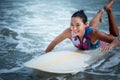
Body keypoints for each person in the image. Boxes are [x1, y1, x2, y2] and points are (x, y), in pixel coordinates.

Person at [45, 0, 119, 53]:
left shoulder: (94, 33)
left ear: (85, 24)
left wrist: (110, 46)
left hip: (100, 38)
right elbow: (54, 43)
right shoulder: (69, 32)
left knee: (115, 35)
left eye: (77, 25)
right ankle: (101, 11)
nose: (74, 28)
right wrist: (45, 54)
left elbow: (116, 41)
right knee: (90, 28)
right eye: (72, 24)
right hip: (88, 31)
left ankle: (108, 9)